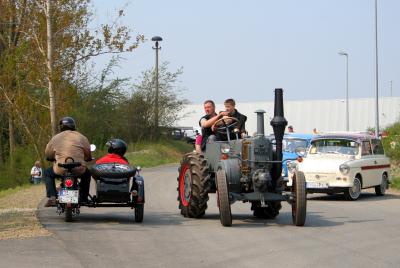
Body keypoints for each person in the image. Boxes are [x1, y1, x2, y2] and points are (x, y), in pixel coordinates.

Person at [44, 117, 92, 207]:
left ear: (60, 127)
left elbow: (48, 153)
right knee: (87, 175)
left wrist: (51, 157)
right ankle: (83, 197)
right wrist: (88, 158)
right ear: (74, 126)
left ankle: (52, 196)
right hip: (78, 168)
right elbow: (88, 153)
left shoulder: (55, 138)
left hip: (60, 168)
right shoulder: (82, 137)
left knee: (47, 173)